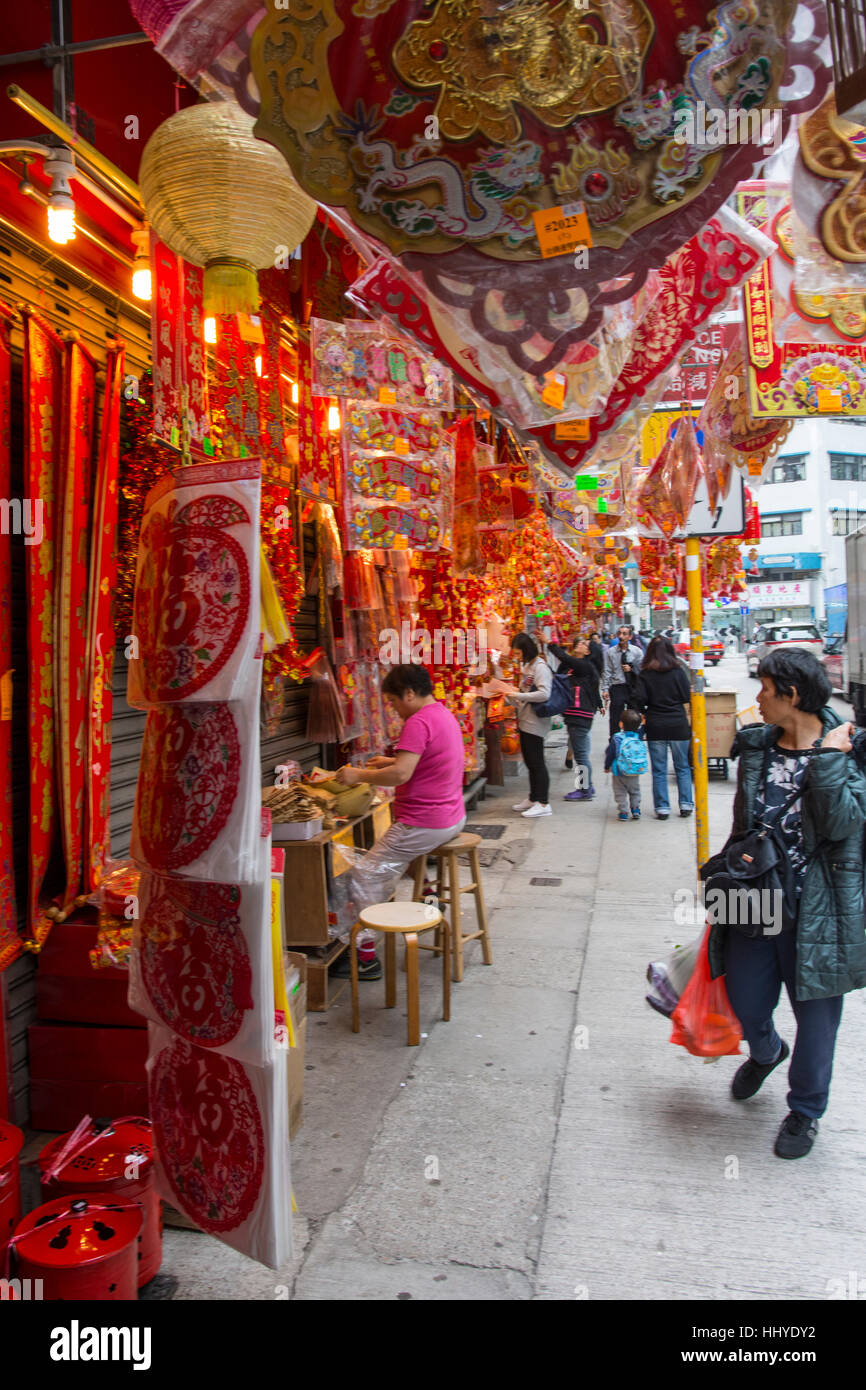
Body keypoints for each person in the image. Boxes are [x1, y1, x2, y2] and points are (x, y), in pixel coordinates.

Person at [707, 648, 866, 1159]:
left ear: (791, 695)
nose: (759, 699)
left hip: (821, 906)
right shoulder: (756, 745)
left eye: (766, 690)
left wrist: (826, 761)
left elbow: (843, 826)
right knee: (745, 1001)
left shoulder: (850, 750)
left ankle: (805, 1110)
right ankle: (767, 1050)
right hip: (753, 897)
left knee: (817, 1019)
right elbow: (743, 824)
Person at [333, 663, 466, 978]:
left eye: (393, 701)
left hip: (425, 821)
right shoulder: (442, 715)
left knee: (363, 875)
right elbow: (424, 760)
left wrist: (358, 775)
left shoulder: (418, 721)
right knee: (397, 860)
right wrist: (391, 760)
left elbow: (401, 774)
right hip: (451, 815)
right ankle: (431, 898)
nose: (392, 709)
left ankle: (365, 957)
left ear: (409, 693)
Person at [633, 635, 693, 820]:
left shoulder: (645, 674)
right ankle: (686, 804)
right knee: (682, 767)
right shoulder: (678, 672)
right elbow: (686, 697)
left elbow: (638, 700)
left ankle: (662, 808)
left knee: (659, 769)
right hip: (678, 725)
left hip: (656, 725)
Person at [548, 635, 603, 800]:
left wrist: (549, 643)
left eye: (584, 644)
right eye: (580, 642)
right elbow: (560, 676)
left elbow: (564, 657)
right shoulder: (575, 667)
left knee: (580, 755)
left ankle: (584, 789)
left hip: (580, 716)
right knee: (581, 753)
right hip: (577, 716)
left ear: (588, 652)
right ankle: (588, 786)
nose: (580, 644)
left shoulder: (584, 666)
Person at [506, 632, 553, 818]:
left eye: (518, 653)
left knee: (537, 762)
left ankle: (543, 802)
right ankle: (533, 798)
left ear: (526, 650)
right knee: (530, 761)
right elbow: (525, 691)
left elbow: (544, 694)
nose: (516, 657)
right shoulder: (528, 667)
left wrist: (519, 696)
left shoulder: (540, 667)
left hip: (535, 721)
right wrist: (512, 696)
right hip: (525, 719)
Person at [604, 707, 647, 820]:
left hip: (619, 771)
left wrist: (607, 766)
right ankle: (636, 809)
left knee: (620, 792)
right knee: (635, 791)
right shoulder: (638, 737)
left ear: (621, 724)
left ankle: (623, 812)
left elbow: (610, 753)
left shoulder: (617, 738)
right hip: (634, 770)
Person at [601, 625, 643, 737]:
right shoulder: (611, 652)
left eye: (624, 634)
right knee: (615, 717)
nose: (621, 636)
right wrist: (605, 689)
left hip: (632, 687)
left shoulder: (637, 652)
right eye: (619, 633)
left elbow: (642, 670)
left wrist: (632, 669)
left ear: (630, 637)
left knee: (633, 717)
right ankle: (614, 742)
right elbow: (607, 671)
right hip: (617, 686)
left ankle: (632, 741)